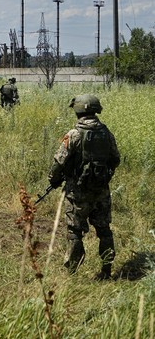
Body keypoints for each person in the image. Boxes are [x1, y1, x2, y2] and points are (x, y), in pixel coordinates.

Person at [47, 94, 120, 280]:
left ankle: (72, 273)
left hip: (77, 193)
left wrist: (53, 180)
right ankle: (106, 271)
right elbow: (116, 159)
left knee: (74, 232)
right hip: (101, 191)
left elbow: (58, 163)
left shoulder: (74, 135)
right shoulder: (106, 132)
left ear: (78, 110)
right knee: (104, 230)